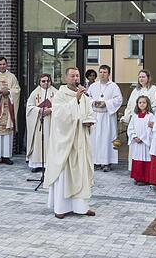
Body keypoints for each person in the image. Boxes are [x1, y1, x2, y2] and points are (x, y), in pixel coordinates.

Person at [44, 67, 96, 219]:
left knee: (81, 173)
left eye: (77, 76)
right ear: (66, 78)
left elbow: (89, 113)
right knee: (65, 174)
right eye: (72, 76)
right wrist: (76, 100)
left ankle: (82, 207)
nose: (75, 78)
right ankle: (61, 207)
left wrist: (89, 121)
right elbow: (59, 116)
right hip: (65, 143)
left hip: (80, 140)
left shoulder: (84, 96)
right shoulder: (60, 95)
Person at [88, 65, 122, 172]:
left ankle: (107, 162)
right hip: (96, 116)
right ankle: (96, 161)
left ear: (109, 74)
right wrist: (94, 102)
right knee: (95, 139)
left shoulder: (114, 86)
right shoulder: (93, 86)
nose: (102, 74)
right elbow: (87, 98)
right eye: (101, 72)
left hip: (107, 116)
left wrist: (106, 103)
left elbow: (118, 100)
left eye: (105, 72)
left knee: (107, 138)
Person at [26, 74, 55, 173]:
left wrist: (50, 109)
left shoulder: (56, 92)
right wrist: (39, 109)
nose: (46, 83)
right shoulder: (35, 93)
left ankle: (49, 164)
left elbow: (61, 106)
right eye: (43, 81)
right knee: (38, 142)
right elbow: (29, 106)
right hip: (38, 122)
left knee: (50, 142)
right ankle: (37, 164)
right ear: (39, 82)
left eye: (48, 81)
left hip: (51, 122)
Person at [127, 95, 154, 186]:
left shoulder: (150, 116)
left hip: (145, 143)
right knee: (137, 158)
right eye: (140, 102)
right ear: (137, 104)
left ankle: (145, 179)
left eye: (144, 102)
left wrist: (142, 138)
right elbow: (130, 128)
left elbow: (150, 129)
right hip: (136, 142)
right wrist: (134, 137)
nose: (142, 104)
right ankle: (138, 177)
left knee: (146, 158)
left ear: (148, 104)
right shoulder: (135, 116)